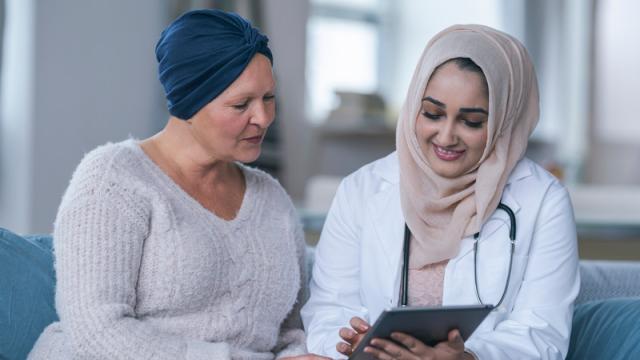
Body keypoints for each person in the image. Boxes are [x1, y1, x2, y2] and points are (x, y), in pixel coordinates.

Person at [29, 9, 326, 360]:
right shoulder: (113, 178)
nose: (262, 118)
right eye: (241, 104)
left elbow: (291, 330)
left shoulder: (271, 199)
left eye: (268, 98)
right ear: (189, 102)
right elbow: (97, 334)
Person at [301, 24, 580, 360]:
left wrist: (469, 358)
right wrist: (354, 343)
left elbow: (543, 333)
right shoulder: (361, 190)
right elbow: (328, 310)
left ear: (505, 120)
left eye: (472, 121)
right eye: (432, 113)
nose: (446, 137)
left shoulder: (544, 200)